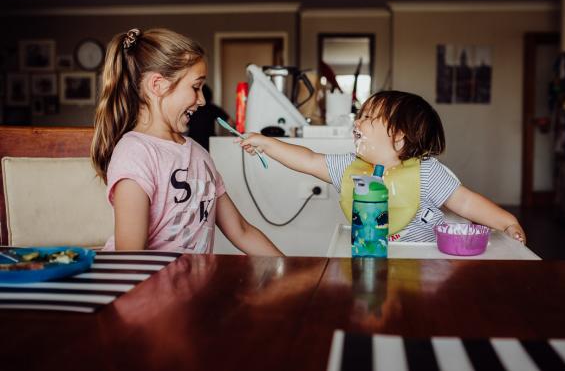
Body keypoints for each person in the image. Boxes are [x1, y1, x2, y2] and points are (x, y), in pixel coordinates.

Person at [240, 90, 526, 244]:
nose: (357, 122)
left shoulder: (426, 173)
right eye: (359, 115)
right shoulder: (350, 168)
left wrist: (507, 223)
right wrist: (268, 144)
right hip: (372, 262)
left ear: (399, 136)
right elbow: (309, 160)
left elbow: (465, 201)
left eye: (367, 117)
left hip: (426, 264)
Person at [90, 27, 282, 255]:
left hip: (189, 285)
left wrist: (289, 271)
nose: (201, 100)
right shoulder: (135, 154)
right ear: (157, 85)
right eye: (195, 87)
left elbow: (241, 231)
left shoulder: (199, 155)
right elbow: (129, 258)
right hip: (147, 288)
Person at [187, 84, 232, 151]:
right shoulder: (212, 108)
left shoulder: (190, 109)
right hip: (209, 141)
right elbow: (230, 122)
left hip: (193, 140)